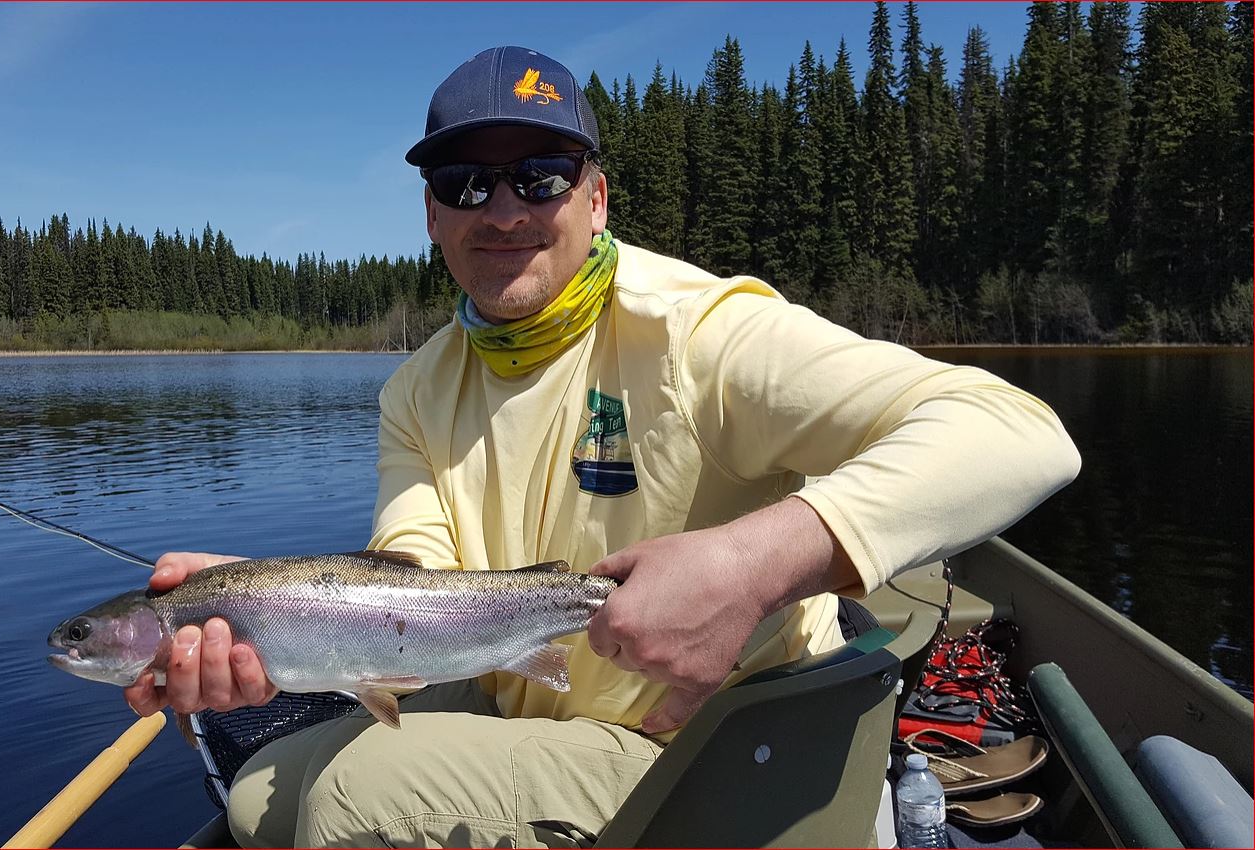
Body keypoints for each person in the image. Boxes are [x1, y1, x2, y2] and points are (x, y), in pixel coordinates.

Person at [125, 45, 1081, 847]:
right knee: (259, 793)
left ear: (595, 200)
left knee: (344, 802)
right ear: (430, 215)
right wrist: (277, 606)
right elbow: (417, 569)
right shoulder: (417, 385)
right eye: (464, 184)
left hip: (717, 738)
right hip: (529, 688)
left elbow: (1019, 434)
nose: (501, 212)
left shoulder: (703, 332)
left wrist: (754, 562)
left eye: (539, 178)